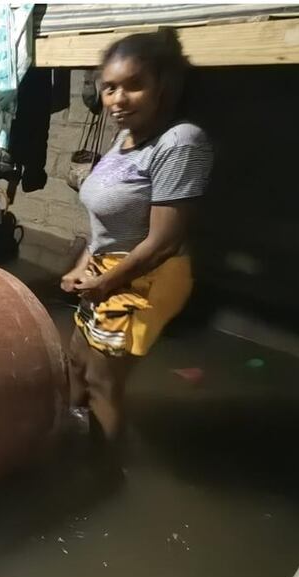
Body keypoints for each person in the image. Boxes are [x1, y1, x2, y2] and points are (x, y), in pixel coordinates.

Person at [61, 28, 213, 444]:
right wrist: (81, 268)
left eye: (133, 85)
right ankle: (70, 435)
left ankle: (105, 469)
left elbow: (163, 241)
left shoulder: (179, 142)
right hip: (105, 269)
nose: (118, 99)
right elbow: (104, 222)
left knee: (102, 379)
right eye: (109, 88)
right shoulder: (124, 138)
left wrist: (107, 281)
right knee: (74, 361)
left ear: (163, 87)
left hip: (145, 276)